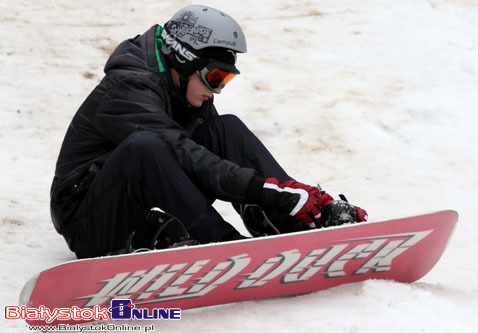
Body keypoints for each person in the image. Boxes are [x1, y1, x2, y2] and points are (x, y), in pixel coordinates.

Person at [50, 5, 367, 259]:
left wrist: (285, 196)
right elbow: (182, 153)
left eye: (225, 79)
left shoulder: (182, 88)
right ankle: (220, 246)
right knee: (146, 145)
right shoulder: (128, 86)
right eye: (215, 76)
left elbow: (210, 160)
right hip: (93, 222)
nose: (217, 90)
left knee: (225, 130)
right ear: (183, 59)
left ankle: (300, 225)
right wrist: (265, 190)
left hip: (145, 205)